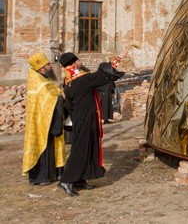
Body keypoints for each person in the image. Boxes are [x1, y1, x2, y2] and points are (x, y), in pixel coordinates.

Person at [57, 52, 125, 196]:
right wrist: (118, 58)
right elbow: (103, 75)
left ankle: (80, 179)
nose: (81, 62)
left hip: (81, 118)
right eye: (78, 60)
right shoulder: (82, 79)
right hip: (86, 118)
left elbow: (69, 105)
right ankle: (66, 180)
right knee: (80, 150)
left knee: (88, 147)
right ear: (74, 63)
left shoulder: (67, 81)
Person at [22, 52, 65, 186]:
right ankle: (41, 177)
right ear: (41, 68)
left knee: (50, 147)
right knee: (43, 148)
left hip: (48, 119)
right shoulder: (38, 81)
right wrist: (60, 96)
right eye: (47, 65)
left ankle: (51, 174)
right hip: (43, 121)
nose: (50, 67)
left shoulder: (42, 78)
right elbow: (48, 98)